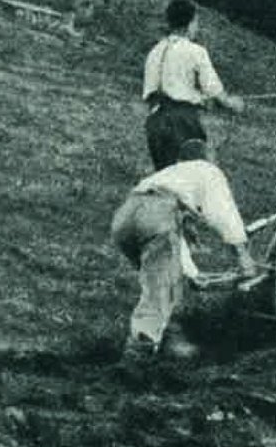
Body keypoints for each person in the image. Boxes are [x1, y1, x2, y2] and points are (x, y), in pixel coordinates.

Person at [110, 139, 259, 360]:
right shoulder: (207, 170)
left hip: (124, 217)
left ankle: (164, 337)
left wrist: (192, 274)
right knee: (160, 291)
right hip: (157, 214)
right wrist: (243, 256)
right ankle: (137, 359)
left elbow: (170, 239)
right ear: (208, 158)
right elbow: (222, 213)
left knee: (160, 282)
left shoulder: (170, 174)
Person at [142, 0, 247, 170]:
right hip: (183, 123)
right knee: (195, 177)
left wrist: (198, 99)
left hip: (154, 123)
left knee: (165, 177)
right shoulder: (196, 51)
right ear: (190, 23)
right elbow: (214, 90)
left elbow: (157, 92)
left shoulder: (154, 51)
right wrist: (233, 104)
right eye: (196, 22)